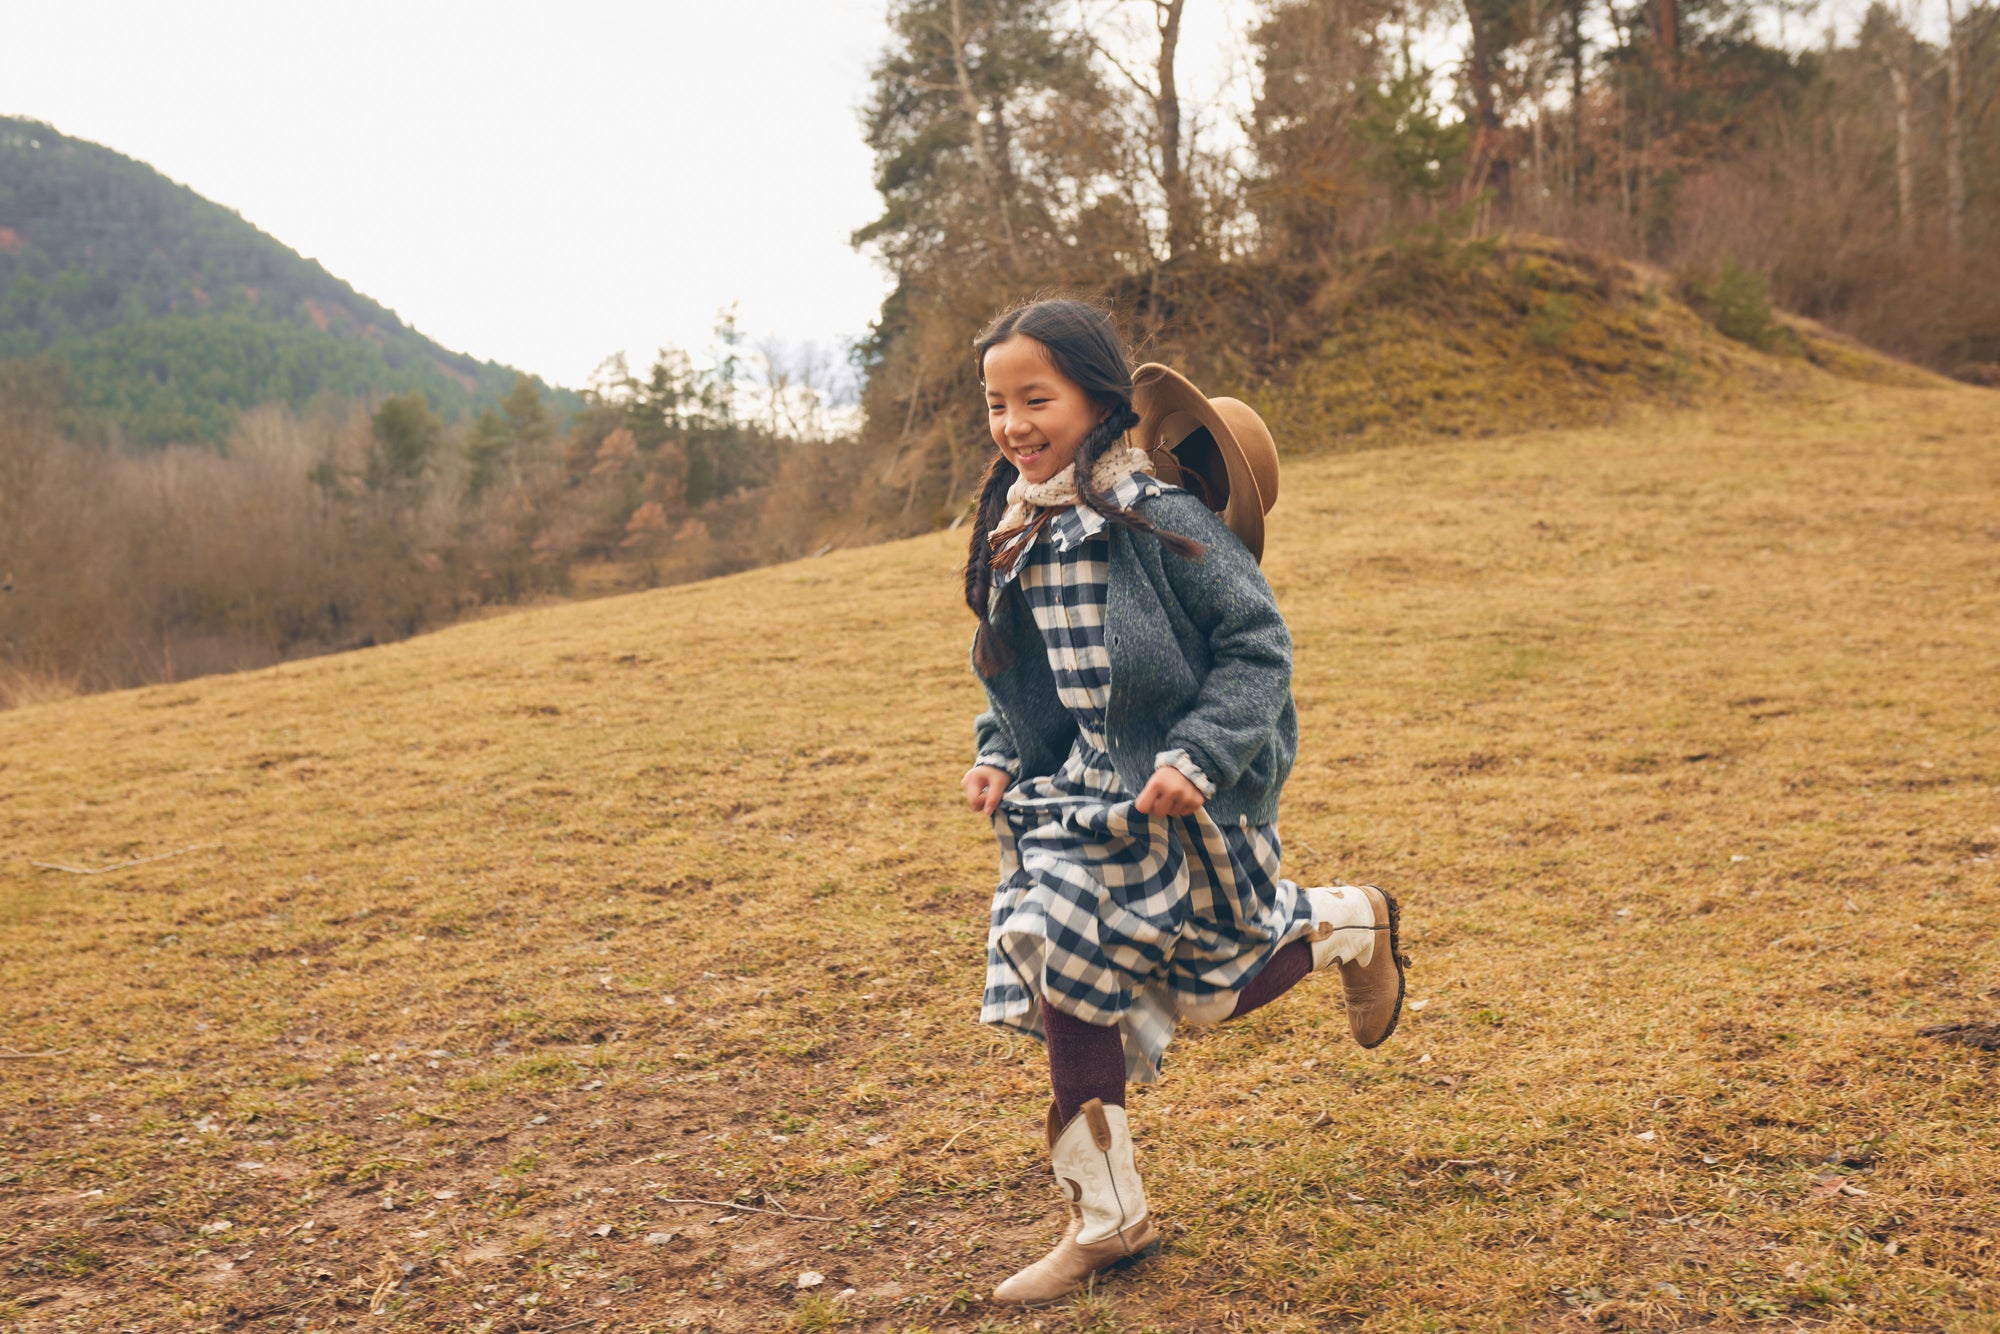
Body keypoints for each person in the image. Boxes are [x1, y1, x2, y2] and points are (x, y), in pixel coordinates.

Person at [959, 297, 1410, 1307]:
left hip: (1194, 805)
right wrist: (997, 751)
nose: (1013, 423)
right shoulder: (1017, 530)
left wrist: (1198, 756)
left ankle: (1345, 921)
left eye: (1036, 397)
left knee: (1206, 991)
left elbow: (1258, 649)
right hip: (1085, 808)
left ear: (1097, 398)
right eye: (995, 403)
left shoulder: (1162, 520)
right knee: (1056, 954)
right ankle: (1106, 1217)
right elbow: (1013, 675)